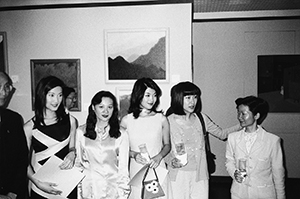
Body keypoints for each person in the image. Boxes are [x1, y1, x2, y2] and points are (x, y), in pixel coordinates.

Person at [165, 81, 241, 199]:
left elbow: (222, 134)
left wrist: (242, 124)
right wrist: (170, 161)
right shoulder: (167, 121)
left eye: (195, 97)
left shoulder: (201, 118)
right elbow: (162, 147)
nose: (192, 102)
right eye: (188, 97)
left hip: (200, 174)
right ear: (178, 98)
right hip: (178, 174)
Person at [24, 76, 78, 199]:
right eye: (51, 95)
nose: (56, 100)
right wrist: (37, 182)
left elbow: (72, 147)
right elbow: (23, 162)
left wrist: (72, 153)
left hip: (66, 183)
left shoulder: (71, 121)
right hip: (41, 185)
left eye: (60, 95)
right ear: (42, 95)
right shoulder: (29, 127)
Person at [120, 77, 171, 199]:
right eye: (147, 95)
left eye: (154, 95)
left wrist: (158, 157)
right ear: (138, 95)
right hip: (137, 170)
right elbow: (120, 148)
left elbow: (167, 145)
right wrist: (134, 154)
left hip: (157, 168)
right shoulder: (126, 121)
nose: (152, 99)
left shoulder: (161, 119)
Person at [225, 96, 285, 199]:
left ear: (256, 115)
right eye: (238, 113)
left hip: (263, 194)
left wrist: (281, 196)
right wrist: (234, 173)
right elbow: (229, 161)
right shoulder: (232, 138)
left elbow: (278, 173)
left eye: (244, 114)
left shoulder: (272, 141)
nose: (240, 117)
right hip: (239, 193)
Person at [75, 90, 130, 199]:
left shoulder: (121, 134)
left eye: (109, 107)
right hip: (89, 188)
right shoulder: (81, 132)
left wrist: (123, 193)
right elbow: (78, 164)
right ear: (93, 108)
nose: (106, 111)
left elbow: (123, 168)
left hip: (112, 189)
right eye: (101, 107)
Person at [0, 72, 28, 199]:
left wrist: (13, 192)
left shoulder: (14, 119)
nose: (4, 93)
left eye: (7, 87)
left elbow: (22, 158)